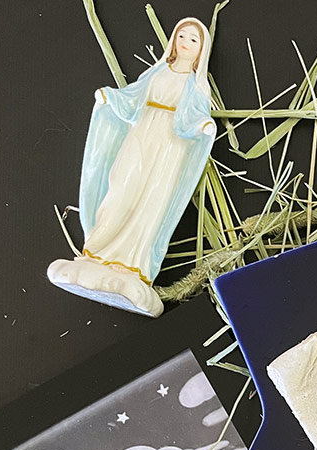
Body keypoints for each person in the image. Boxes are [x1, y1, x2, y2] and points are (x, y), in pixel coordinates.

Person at [47, 18, 216, 317]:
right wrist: (110, 98)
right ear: (173, 40)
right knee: (121, 189)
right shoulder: (158, 71)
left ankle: (133, 267)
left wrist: (201, 125)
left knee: (152, 204)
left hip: (170, 148)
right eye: (182, 36)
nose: (186, 43)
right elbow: (133, 97)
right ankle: (97, 252)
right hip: (140, 137)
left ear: (202, 49)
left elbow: (195, 116)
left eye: (193, 40)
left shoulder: (196, 85)